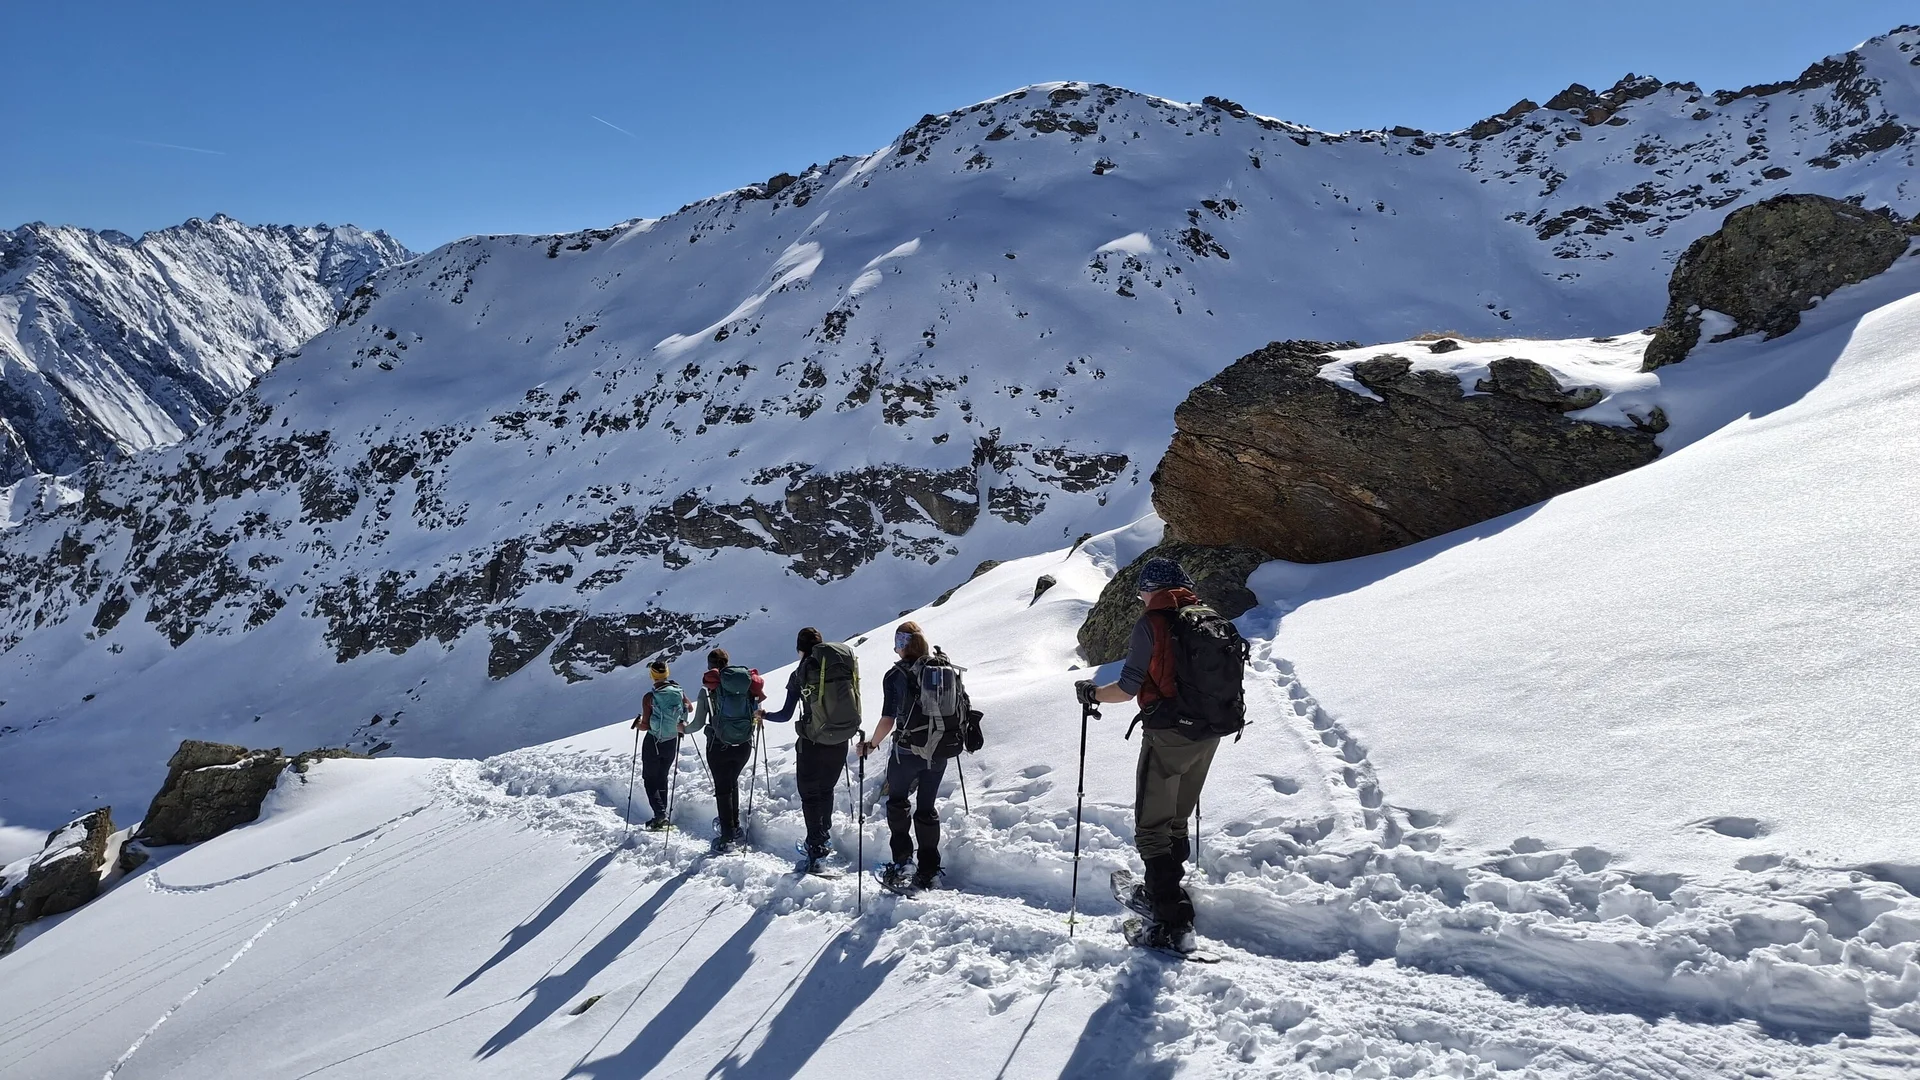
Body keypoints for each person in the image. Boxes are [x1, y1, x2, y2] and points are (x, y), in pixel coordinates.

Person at [1076, 556, 1246, 949]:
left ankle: (1170, 918)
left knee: (1152, 825)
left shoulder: (1152, 624)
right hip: (1209, 732)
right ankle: (1168, 886)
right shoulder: (1207, 617)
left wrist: (1092, 693)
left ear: (1151, 590)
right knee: (1177, 816)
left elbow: (1127, 688)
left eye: (1142, 592)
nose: (1141, 598)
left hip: (1169, 732)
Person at [859, 621, 963, 892]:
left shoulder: (895, 675)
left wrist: (871, 744)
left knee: (898, 803)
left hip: (906, 752)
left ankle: (903, 864)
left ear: (902, 644)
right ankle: (929, 871)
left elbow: (888, 718)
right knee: (927, 808)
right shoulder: (942, 668)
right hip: (939, 751)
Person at [761, 627, 862, 871]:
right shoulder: (840, 666)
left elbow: (786, 715)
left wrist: (764, 715)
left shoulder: (800, 673)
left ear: (800, 649)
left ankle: (815, 850)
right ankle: (823, 839)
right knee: (826, 790)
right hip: (840, 739)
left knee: (810, 794)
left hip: (812, 742)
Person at [691, 647, 765, 853]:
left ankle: (727, 837)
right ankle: (735, 827)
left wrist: (682, 729)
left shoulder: (709, 689)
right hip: (744, 745)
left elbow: (697, 723)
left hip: (718, 745)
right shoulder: (747, 685)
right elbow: (757, 710)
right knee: (732, 782)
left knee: (723, 788)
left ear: (710, 666)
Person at [632, 660, 689, 830]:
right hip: (672, 739)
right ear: (667, 673)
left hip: (654, 741)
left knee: (650, 779)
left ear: (652, 675)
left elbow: (645, 725)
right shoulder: (678, 690)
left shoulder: (650, 697)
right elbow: (689, 708)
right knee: (662, 777)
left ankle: (660, 815)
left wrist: (637, 724)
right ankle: (662, 816)